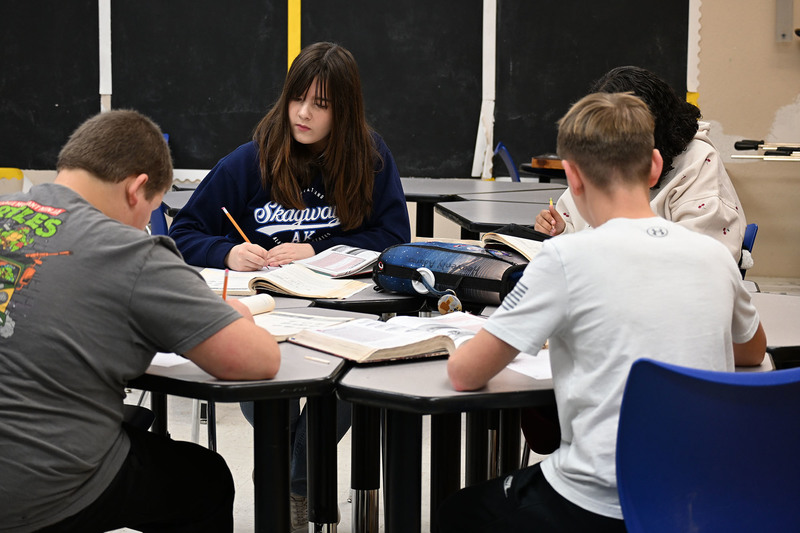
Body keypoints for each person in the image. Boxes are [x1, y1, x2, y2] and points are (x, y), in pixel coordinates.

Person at [437, 92, 766, 532]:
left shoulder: (564, 259)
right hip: (696, 502)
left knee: (457, 512)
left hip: (595, 505)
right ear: (653, 166)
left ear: (572, 177)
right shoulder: (715, 255)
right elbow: (751, 351)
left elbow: (465, 373)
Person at [167, 41, 411, 530]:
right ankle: (297, 489)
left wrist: (317, 249)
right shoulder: (249, 160)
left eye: (320, 105)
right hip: (265, 317)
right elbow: (184, 233)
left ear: (344, 110)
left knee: (343, 389)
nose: (303, 114)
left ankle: (291, 489)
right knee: (269, 393)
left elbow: (394, 239)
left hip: (343, 317)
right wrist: (228, 252)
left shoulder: (369, 157)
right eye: (297, 98)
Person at [0, 109, 280, 533]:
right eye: (149, 211)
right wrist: (232, 314)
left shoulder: (7, 211)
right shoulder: (129, 251)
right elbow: (258, 360)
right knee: (204, 480)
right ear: (137, 190)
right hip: (37, 491)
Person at [535, 66, 747, 263]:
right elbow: (577, 221)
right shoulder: (603, 151)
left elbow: (703, 257)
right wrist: (563, 231)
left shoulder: (696, 161)